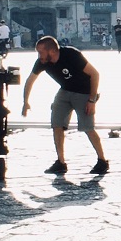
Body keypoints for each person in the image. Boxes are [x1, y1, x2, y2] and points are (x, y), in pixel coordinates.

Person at [21, 36, 108, 175]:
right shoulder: (42, 62)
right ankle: (61, 162)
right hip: (65, 90)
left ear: (52, 51)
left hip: (84, 92)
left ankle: (102, 160)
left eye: (41, 52)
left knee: (87, 127)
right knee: (57, 124)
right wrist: (25, 101)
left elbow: (95, 74)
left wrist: (92, 100)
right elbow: (30, 80)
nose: (39, 56)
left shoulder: (72, 55)